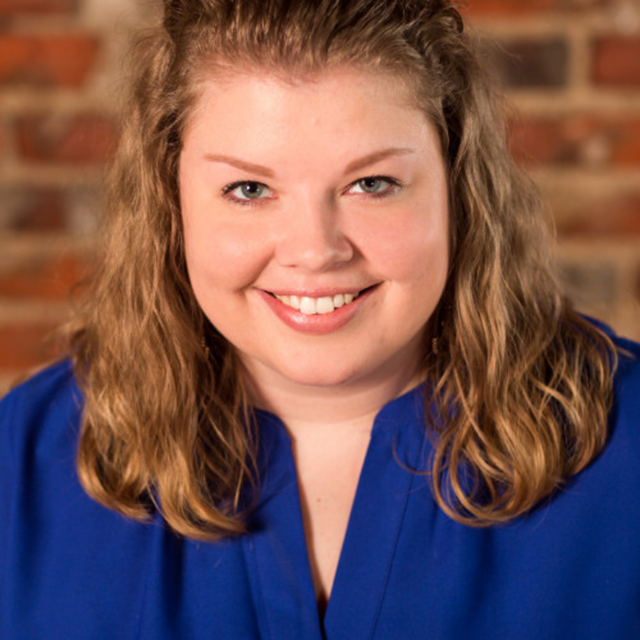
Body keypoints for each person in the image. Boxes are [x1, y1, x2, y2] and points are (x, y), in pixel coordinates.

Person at [1, 0, 639, 637]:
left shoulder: (626, 447)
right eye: (249, 190)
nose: (314, 251)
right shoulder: (22, 464)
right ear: (172, 206)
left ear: (457, 188)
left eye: (373, 183)